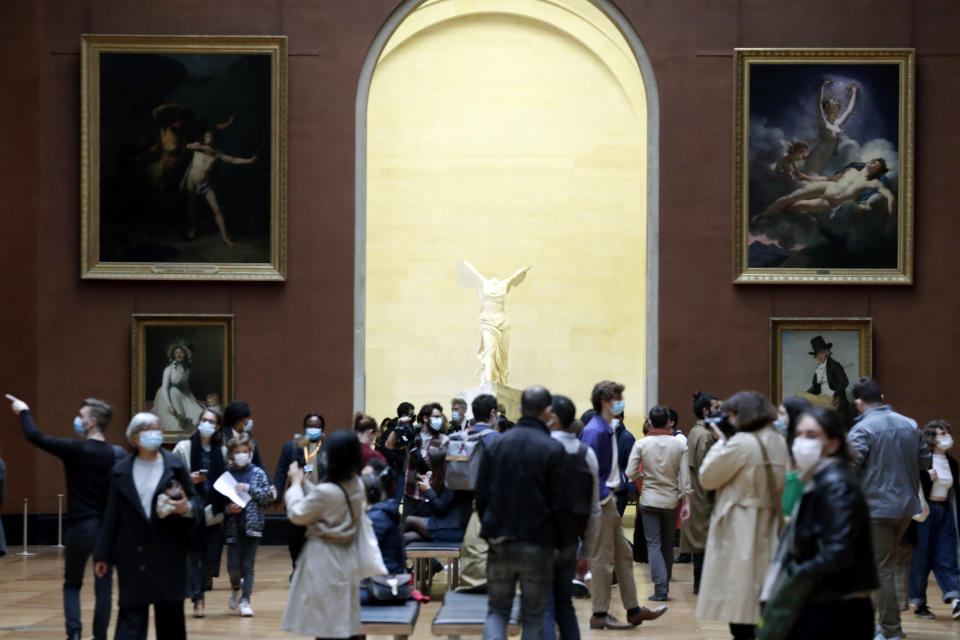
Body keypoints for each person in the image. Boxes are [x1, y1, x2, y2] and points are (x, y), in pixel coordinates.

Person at [7, 394, 123, 640]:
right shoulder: (117, 454)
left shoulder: (75, 449)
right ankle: (100, 636)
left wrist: (24, 410)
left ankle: (75, 634)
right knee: (104, 589)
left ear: (91, 421)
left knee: (72, 584)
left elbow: (35, 437)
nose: (77, 419)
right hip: (105, 531)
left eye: (81, 416)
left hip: (80, 528)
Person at [767, 407, 878, 640]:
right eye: (798, 434)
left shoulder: (837, 485)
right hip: (824, 598)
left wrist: (795, 574)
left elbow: (838, 551)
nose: (801, 442)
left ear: (833, 443)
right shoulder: (820, 479)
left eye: (811, 435)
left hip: (837, 607)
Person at [93, 412, 203, 640]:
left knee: (171, 623)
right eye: (148, 429)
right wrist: (101, 555)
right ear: (134, 437)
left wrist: (186, 508)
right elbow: (111, 517)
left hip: (169, 554)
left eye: (157, 427)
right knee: (130, 623)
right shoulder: (120, 471)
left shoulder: (174, 464)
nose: (155, 432)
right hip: (133, 556)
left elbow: (196, 503)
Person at [696, 391, 789, 640]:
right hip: (769, 522)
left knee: (740, 601)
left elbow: (707, 477)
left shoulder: (741, 443)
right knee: (762, 595)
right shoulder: (779, 441)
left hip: (741, 524)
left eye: (730, 414)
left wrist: (722, 442)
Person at [475, 385, 566, 639]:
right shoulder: (552, 448)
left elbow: (481, 496)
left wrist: (491, 529)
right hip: (537, 544)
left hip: (500, 540)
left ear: (519, 409)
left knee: (497, 612)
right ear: (548, 412)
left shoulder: (496, 445)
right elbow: (560, 503)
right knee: (534, 615)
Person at [846, 377, 931, 640]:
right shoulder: (910, 424)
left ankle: (891, 630)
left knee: (879, 569)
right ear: (882, 398)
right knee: (886, 567)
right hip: (905, 508)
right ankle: (882, 626)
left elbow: (849, 468)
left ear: (859, 403)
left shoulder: (862, 430)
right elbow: (925, 461)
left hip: (874, 509)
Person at [579, 380, 667, 629]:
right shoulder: (596, 430)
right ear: (605, 401)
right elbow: (587, 470)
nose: (621, 401)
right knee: (603, 560)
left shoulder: (606, 428)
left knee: (624, 555)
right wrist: (602, 499)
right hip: (601, 502)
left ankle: (633, 609)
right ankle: (599, 614)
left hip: (606, 499)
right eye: (617, 397)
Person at [282, 431, 368, 639]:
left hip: (325, 560)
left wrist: (294, 484)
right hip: (347, 556)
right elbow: (324, 496)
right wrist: (304, 482)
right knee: (342, 618)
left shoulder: (329, 491)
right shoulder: (357, 484)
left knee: (325, 623)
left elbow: (297, 513)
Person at [542, 394, 601, 640]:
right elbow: (594, 509)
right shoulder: (586, 453)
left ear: (553, 417)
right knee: (564, 605)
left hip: (539, 540)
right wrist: (586, 552)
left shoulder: (539, 448)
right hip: (569, 540)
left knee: (543, 605)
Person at [626, 405, 691, 601]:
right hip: (671, 501)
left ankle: (660, 587)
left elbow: (630, 472)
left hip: (649, 499)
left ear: (651, 422)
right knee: (668, 544)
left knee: (653, 544)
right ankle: (666, 578)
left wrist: (643, 477)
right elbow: (685, 479)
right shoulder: (679, 445)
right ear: (669, 422)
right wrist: (686, 502)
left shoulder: (641, 444)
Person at [172, 408, 227, 618]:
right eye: (203, 420)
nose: (206, 424)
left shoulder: (220, 451)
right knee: (192, 556)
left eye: (211, 421)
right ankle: (198, 598)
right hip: (191, 510)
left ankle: (201, 589)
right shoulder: (183, 447)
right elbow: (172, 479)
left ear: (217, 427)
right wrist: (189, 479)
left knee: (211, 558)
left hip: (214, 510)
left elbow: (226, 479)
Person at [909, 420, 960, 620]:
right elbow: (910, 481)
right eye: (941, 433)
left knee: (947, 555)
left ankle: (956, 599)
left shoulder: (952, 462)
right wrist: (925, 476)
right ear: (931, 438)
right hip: (925, 512)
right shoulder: (923, 460)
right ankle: (920, 603)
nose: (946, 436)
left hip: (945, 511)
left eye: (947, 432)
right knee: (921, 558)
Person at [752, 158, 894, 224]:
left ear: (878, 170)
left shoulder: (873, 182)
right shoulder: (850, 169)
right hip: (828, 186)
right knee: (789, 198)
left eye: (876, 164)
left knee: (795, 206)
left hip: (831, 201)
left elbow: (890, 198)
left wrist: (888, 220)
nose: (872, 162)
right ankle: (762, 215)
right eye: (873, 160)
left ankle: (773, 213)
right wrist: (807, 178)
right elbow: (830, 178)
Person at [222, 433, 272, 617]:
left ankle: (245, 600)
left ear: (250, 453)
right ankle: (236, 588)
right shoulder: (227, 475)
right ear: (231, 455)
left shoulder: (258, 473)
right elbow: (221, 503)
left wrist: (249, 488)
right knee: (233, 565)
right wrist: (228, 509)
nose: (241, 455)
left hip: (253, 526)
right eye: (237, 452)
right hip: (233, 527)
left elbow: (267, 497)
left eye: (245, 451)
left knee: (248, 565)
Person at [456, 260, 530, 385]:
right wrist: (465, 265)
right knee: (490, 351)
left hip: (502, 322)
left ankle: (499, 380)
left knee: (502, 357)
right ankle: (490, 381)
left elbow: (515, 277)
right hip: (488, 321)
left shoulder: (505, 284)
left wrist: (524, 270)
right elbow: (472, 271)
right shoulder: (484, 282)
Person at [180, 127, 258, 246]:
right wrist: (203, 147)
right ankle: (193, 230)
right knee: (192, 207)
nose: (207, 138)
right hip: (192, 182)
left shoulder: (217, 154)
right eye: (206, 136)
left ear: (214, 139)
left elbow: (233, 160)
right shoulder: (198, 147)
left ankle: (225, 237)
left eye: (210, 136)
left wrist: (250, 161)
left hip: (204, 184)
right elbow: (188, 146)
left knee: (216, 209)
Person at [457, 393, 501, 592]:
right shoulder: (496, 439)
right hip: (488, 503)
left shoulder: (461, 437)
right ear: (493, 413)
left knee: (471, 548)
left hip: (460, 501)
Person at [273, 412, 326, 571]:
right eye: (310, 425)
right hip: (297, 498)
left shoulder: (326, 448)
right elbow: (281, 471)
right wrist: (277, 494)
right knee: (295, 538)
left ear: (322, 429)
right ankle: (297, 567)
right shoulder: (292, 446)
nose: (313, 428)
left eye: (316, 426)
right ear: (304, 427)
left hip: (319, 500)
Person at [679, 391, 720, 594]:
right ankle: (701, 584)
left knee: (700, 544)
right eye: (716, 408)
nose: (720, 412)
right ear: (706, 411)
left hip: (697, 495)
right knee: (704, 543)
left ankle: (700, 583)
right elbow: (709, 468)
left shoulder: (696, 431)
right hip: (705, 496)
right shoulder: (705, 436)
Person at [404, 449, 472, 544]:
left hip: (453, 528)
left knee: (409, 520)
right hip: (449, 525)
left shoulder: (451, 482)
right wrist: (433, 482)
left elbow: (441, 509)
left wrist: (428, 490)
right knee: (407, 537)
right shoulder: (453, 477)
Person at [803, 79, 859, 176]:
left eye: (837, 111)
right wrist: (822, 86)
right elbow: (818, 104)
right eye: (832, 111)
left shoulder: (838, 124)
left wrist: (854, 92)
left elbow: (849, 111)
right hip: (818, 154)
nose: (835, 113)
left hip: (828, 155)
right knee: (811, 175)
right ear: (827, 111)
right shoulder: (823, 122)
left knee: (818, 175)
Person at [403, 403, 449, 518]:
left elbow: (447, 468)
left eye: (440, 417)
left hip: (430, 494)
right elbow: (389, 445)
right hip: (411, 493)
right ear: (425, 418)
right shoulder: (412, 436)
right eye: (436, 417)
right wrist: (399, 427)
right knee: (406, 530)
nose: (440, 420)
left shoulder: (444, 440)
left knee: (426, 531)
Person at [152, 343, 205, 432]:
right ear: (173, 355)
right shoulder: (169, 369)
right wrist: (170, 406)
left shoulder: (186, 370)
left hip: (180, 393)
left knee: (198, 412)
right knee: (176, 422)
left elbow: (185, 387)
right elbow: (164, 388)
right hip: (167, 395)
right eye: (176, 353)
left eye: (181, 352)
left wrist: (194, 400)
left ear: (185, 354)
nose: (179, 355)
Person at [777, 396, 813, 517]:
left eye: (782, 413)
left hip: (798, 511)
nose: (778, 417)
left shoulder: (805, 445)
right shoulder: (785, 440)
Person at [222, 400, 265, 469]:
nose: (249, 421)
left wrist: (267, 479)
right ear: (238, 419)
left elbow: (258, 463)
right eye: (247, 418)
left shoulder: (249, 435)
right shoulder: (223, 435)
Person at [612, 410, 637, 518]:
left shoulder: (627, 438)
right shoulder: (603, 434)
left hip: (620, 489)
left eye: (616, 417)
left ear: (622, 418)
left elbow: (633, 464)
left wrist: (631, 488)